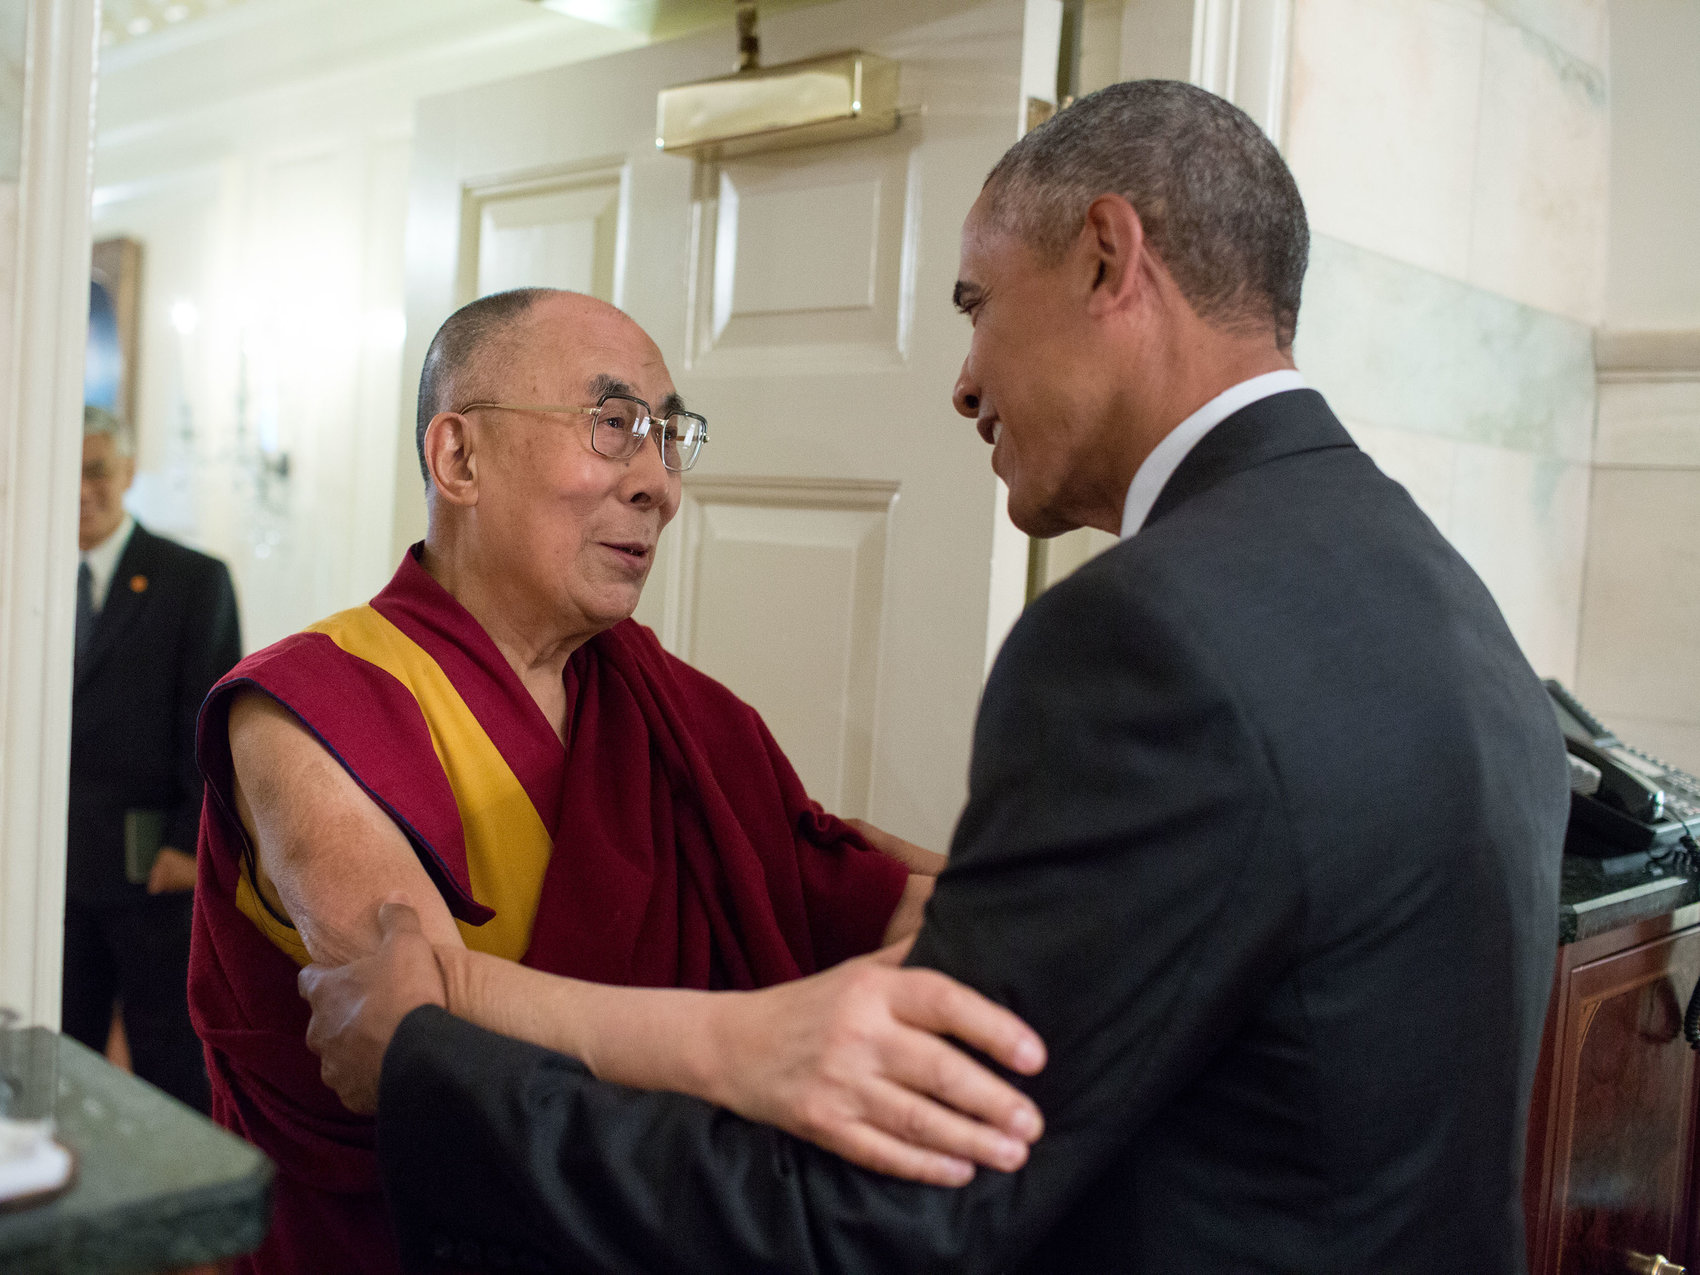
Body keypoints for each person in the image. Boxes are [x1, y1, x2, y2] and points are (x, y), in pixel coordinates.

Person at [303, 80, 1572, 1272]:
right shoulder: (1441, 593)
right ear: (453, 457)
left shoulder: (1148, 636)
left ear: (1103, 258)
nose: (962, 383)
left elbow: (892, 1210)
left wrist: (436, 1057)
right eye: (609, 427)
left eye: (973, 305)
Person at [189, 287, 1046, 1275]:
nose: (659, 485)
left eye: (670, 435)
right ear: (457, 456)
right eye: (613, 426)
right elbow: (410, 1032)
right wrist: (761, 1042)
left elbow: (857, 896)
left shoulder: (685, 718)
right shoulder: (304, 708)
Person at [62, 405, 241, 1113]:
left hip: (152, 872)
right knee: (61, 1053)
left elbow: (214, 721)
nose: (80, 489)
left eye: (96, 469)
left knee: (168, 1059)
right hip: (56, 873)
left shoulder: (191, 578)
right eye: (67, 470)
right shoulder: (28, 578)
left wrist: (187, 841)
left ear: (128, 473)